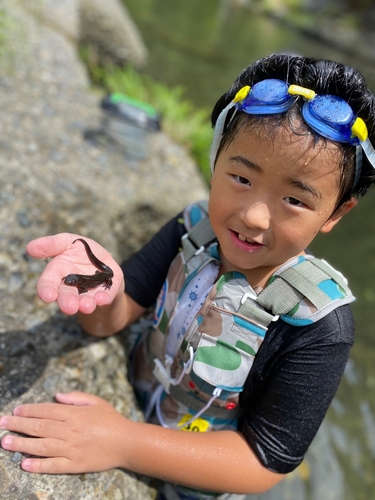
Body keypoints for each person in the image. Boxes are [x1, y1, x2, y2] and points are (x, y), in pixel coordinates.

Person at [1, 53, 375, 499]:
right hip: (140, 389)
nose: (254, 216)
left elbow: (264, 461)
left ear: (335, 212)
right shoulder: (192, 228)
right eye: (240, 177)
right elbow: (108, 322)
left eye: (294, 201)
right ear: (216, 159)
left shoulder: (320, 323)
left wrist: (122, 442)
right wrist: (101, 287)